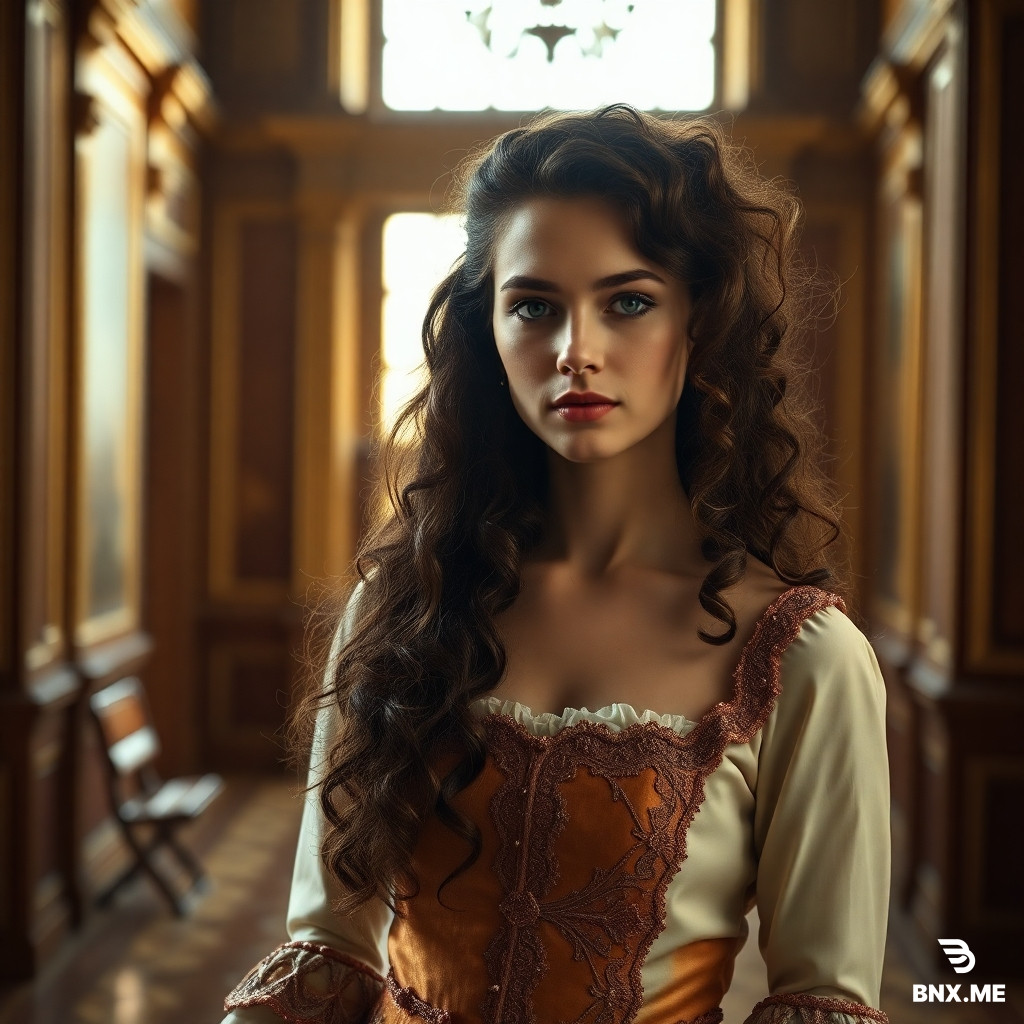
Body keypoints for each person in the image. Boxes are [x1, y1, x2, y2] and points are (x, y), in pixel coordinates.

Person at [222, 105, 890, 1024]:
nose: (576, 351)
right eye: (534, 306)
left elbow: (823, 999)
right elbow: (327, 953)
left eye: (628, 301)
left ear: (698, 319)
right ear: (485, 331)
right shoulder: (401, 607)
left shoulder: (804, 656)